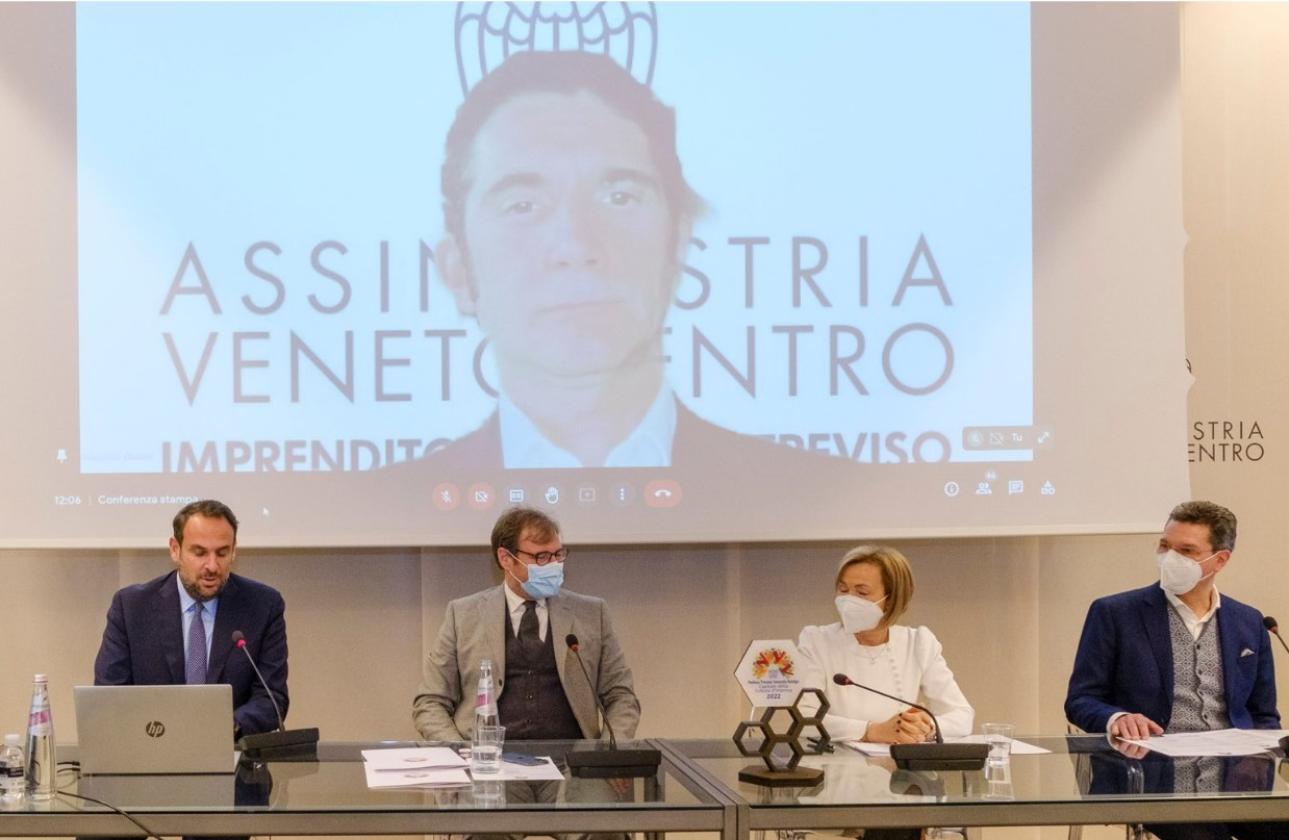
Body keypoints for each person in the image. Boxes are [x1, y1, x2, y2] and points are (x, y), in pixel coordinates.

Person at [414, 48, 849, 472]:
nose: (576, 246)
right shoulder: (396, 502)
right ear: (458, 272)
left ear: (676, 246)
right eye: (523, 206)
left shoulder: (814, 494)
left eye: (619, 198)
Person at [1064, 500, 1283, 840]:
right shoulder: (1115, 613)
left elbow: (1264, 714)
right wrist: (1117, 718)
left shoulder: (1249, 622)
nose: (1170, 558)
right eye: (1165, 546)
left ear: (1220, 560)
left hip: (1237, 782)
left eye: (1186, 551)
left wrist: (1257, 764)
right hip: (1151, 779)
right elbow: (1081, 700)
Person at [413, 505, 640, 741]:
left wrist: (608, 752)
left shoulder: (592, 613)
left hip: (572, 757)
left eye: (558, 555)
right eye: (541, 557)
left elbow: (621, 696)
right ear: (506, 559)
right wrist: (460, 752)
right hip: (488, 756)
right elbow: (430, 702)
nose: (553, 565)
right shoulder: (462, 615)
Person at [796, 545, 973, 840]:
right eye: (843, 590)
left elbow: (962, 715)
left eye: (861, 592)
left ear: (891, 599)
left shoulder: (918, 642)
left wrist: (924, 727)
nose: (847, 600)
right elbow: (803, 717)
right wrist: (871, 731)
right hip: (834, 791)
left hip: (903, 788)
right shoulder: (817, 640)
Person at [93, 499, 289, 738]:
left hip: (233, 750)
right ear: (175, 549)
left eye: (222, 553)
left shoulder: (263, 606)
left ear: (234, 550)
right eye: (200, 552)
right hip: (152, 747)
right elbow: (109, 694)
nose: (212, 566)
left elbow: (271, 698)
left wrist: (223, 727)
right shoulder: (132, 607)